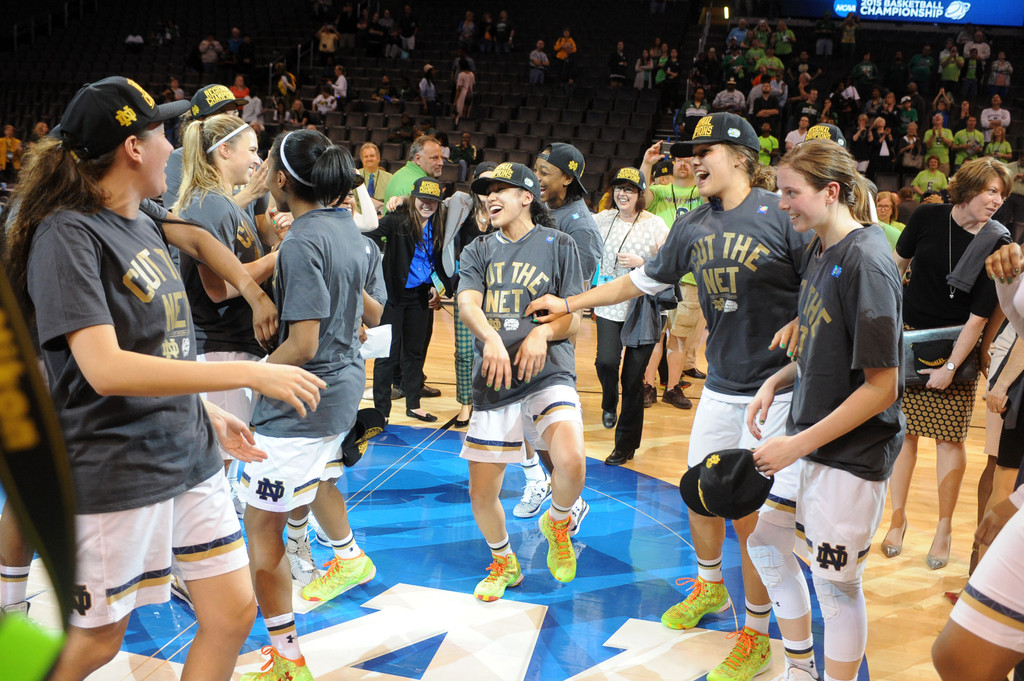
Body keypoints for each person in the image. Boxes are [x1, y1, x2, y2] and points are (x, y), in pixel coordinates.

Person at [3, 76, 324, 681]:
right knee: (97, 642)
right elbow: (102, 367)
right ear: (132, 147)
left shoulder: (144, 221)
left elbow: (162, 347)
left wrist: (206, 413)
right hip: (118, 466)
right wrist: (253, 372)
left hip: (187, 452)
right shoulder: (67, 234)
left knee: (231, 612)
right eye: (162, 134)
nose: (173, 148)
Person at [526, 112, 812, 681]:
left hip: (776, 390)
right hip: (723, 384)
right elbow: (640, 283)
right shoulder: (690, 225)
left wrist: (806, 320)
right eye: (689, 152)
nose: (691, 161)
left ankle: (755, 634)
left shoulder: (781, 215)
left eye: (703, 151)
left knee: (752, 517)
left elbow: (824, 277)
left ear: (739, 157)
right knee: (699, 492)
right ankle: (710, 588)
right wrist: (572, 303)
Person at [746, 137, 904, 681]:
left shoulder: (868, 261)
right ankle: (799, 667)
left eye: (792, 192)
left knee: (835, 588)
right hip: (810, 439)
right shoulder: (821, 246)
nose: (782, 203)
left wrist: (795, 445)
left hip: (849, 453)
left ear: (831, 191)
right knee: (766, 544)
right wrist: (780, 377)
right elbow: (825, 341)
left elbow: (882, 387)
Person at [241, 129, 376, 681]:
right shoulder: (354, 231)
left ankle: (287, 659)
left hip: (304, 395)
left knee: (261, 528)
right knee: (310, 492)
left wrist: (250, 377)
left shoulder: (300, 242)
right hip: (344, 387)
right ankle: (345, 556)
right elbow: (372, 315)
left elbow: (302, 344)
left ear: (280, 180)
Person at [456, 161, 586, 602]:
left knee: (571, 461)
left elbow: (574, 319)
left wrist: (543, 332)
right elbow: (468, 303)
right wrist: (490, 337)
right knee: (481, 492)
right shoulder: (477, 249)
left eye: (501, 190)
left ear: (527, 196)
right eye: (486, 192)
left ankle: (558, 519)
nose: (490, 198)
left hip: (548, 372)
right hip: (494, 380)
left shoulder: (559, 243)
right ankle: (504, 561)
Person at [882, 157, 1013, 569]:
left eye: (1002, 194)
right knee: (903, 435)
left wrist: (951, 367)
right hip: (906, 340)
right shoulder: (926, 217)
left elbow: (979, 316)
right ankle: (897, 519)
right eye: (991, 190)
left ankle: (943, 528)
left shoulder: (998, 241)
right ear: (969, 187)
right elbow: (894, 270)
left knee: (948, 440)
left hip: (956, 350)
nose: (997, 200)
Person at [172, 113, 278, 523]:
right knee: (211, 462)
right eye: (251, 150)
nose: (256, 160)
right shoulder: (211, 203)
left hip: (227, 349)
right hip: (217, 347)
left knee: (220, 461)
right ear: (224, 151)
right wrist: (276, 259)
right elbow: (218, 287)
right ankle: (187, 552)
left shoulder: (223, 203)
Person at [592, 168, 669, 463]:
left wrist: (643, 262)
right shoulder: (601, 220)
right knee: (606, 362)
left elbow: (670, 263)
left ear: (641, 194)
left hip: (642, 310)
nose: (622, 194)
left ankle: (624, 446)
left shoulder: (655, 224)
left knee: (633, 379)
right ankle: (609, 401)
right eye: (618, 188)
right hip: (609, 306)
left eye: (629, 189)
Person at [366, 177, 446, 422]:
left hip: (420, 296)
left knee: (415, 352)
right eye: (423, 200)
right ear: (414, 198)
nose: (427, 205)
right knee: (386, 355)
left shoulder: (440, 224)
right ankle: (381, 411)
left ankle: (414, 403)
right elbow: (368, 234)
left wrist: (435, 286)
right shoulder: (397, 220)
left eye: (433, 201)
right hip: (393, 296)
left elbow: (435, 261)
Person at [357, 142, 392, 209]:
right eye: (366, 156)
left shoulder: (389, 177)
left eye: (372, 156)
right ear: (362, 160)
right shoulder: (356, 176)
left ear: (378, 158)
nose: (369, 159)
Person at [454, 59, 476, 126]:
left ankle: (460, 125)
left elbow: (459, 89)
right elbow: (474, 85)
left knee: (460, 111)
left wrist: (455, 101)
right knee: (467, 112)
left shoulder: (461, 75)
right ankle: (466, 125)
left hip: (463, 94)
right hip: (470, 93)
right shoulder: (472, 74)